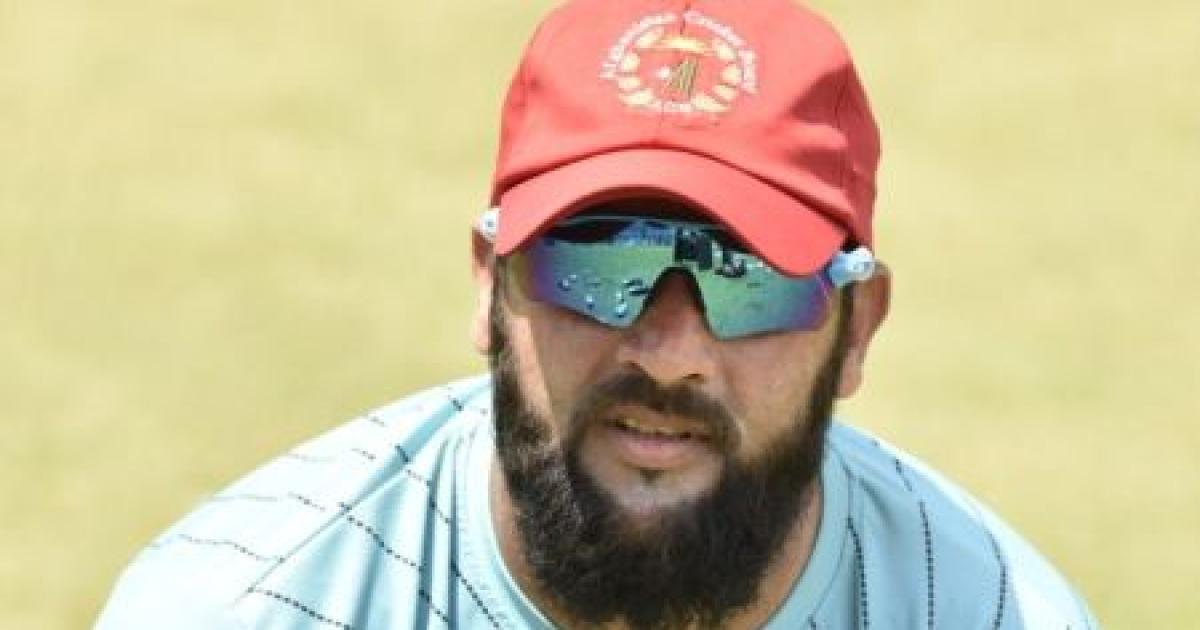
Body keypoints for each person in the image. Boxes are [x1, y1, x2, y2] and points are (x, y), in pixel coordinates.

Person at [96, 0, 1101, 628]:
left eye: (746, 277)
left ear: (857, 328)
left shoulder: (992, 612)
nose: (669, 354)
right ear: (491, 284)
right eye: (599, 259)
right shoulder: (244, 606)